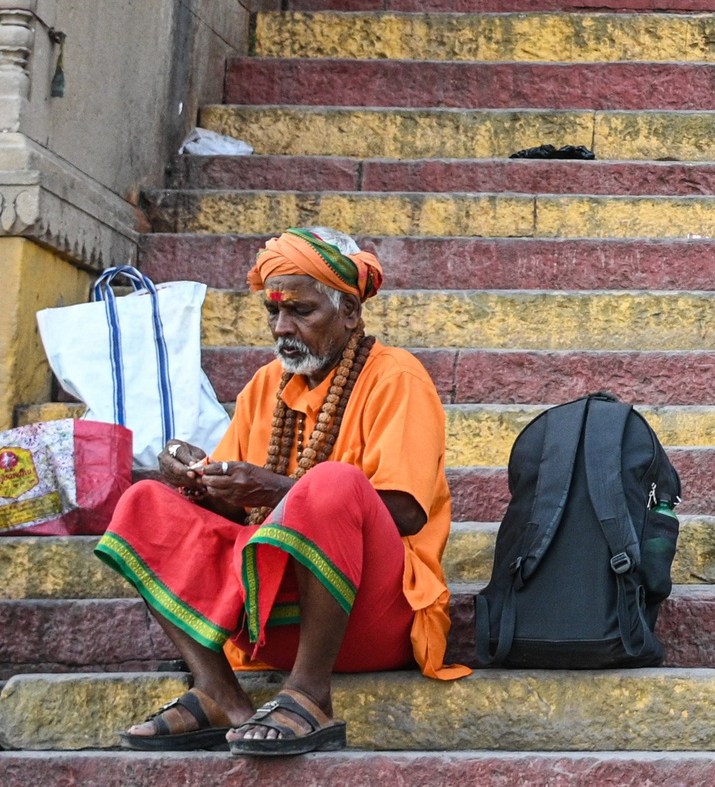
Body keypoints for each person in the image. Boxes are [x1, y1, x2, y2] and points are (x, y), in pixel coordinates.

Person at [99, 226, 467, 756]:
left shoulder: (397, 377)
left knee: (333, 482)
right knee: (145, 502)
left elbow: (406, 513)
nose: (281, 328)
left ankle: (310, 695)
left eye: (300, 311)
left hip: (370, 620)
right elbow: (234, 510)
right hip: (265, 624)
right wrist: (195, 478)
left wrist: (277, 490)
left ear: (350, 312)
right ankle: (217, 691)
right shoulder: (265, 384)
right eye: (273, 311)